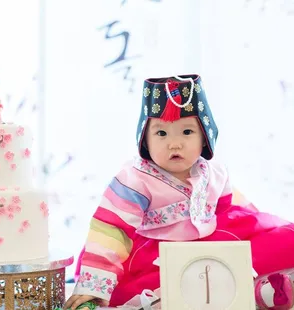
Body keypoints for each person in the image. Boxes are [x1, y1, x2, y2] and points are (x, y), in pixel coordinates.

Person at [64, 74, 294, 310]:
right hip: (159, 255)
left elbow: (234, 211)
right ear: (145, 139)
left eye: (187, 132)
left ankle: (264, 291)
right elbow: (111, 231)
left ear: (205, 137)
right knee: (168, 287)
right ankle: (256, 294)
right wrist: (95, 285)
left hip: (215, 242)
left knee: (268, 248)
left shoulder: (214, 171)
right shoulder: (135, 179)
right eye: (161, 134)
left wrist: (258, 234)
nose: (175, 144)